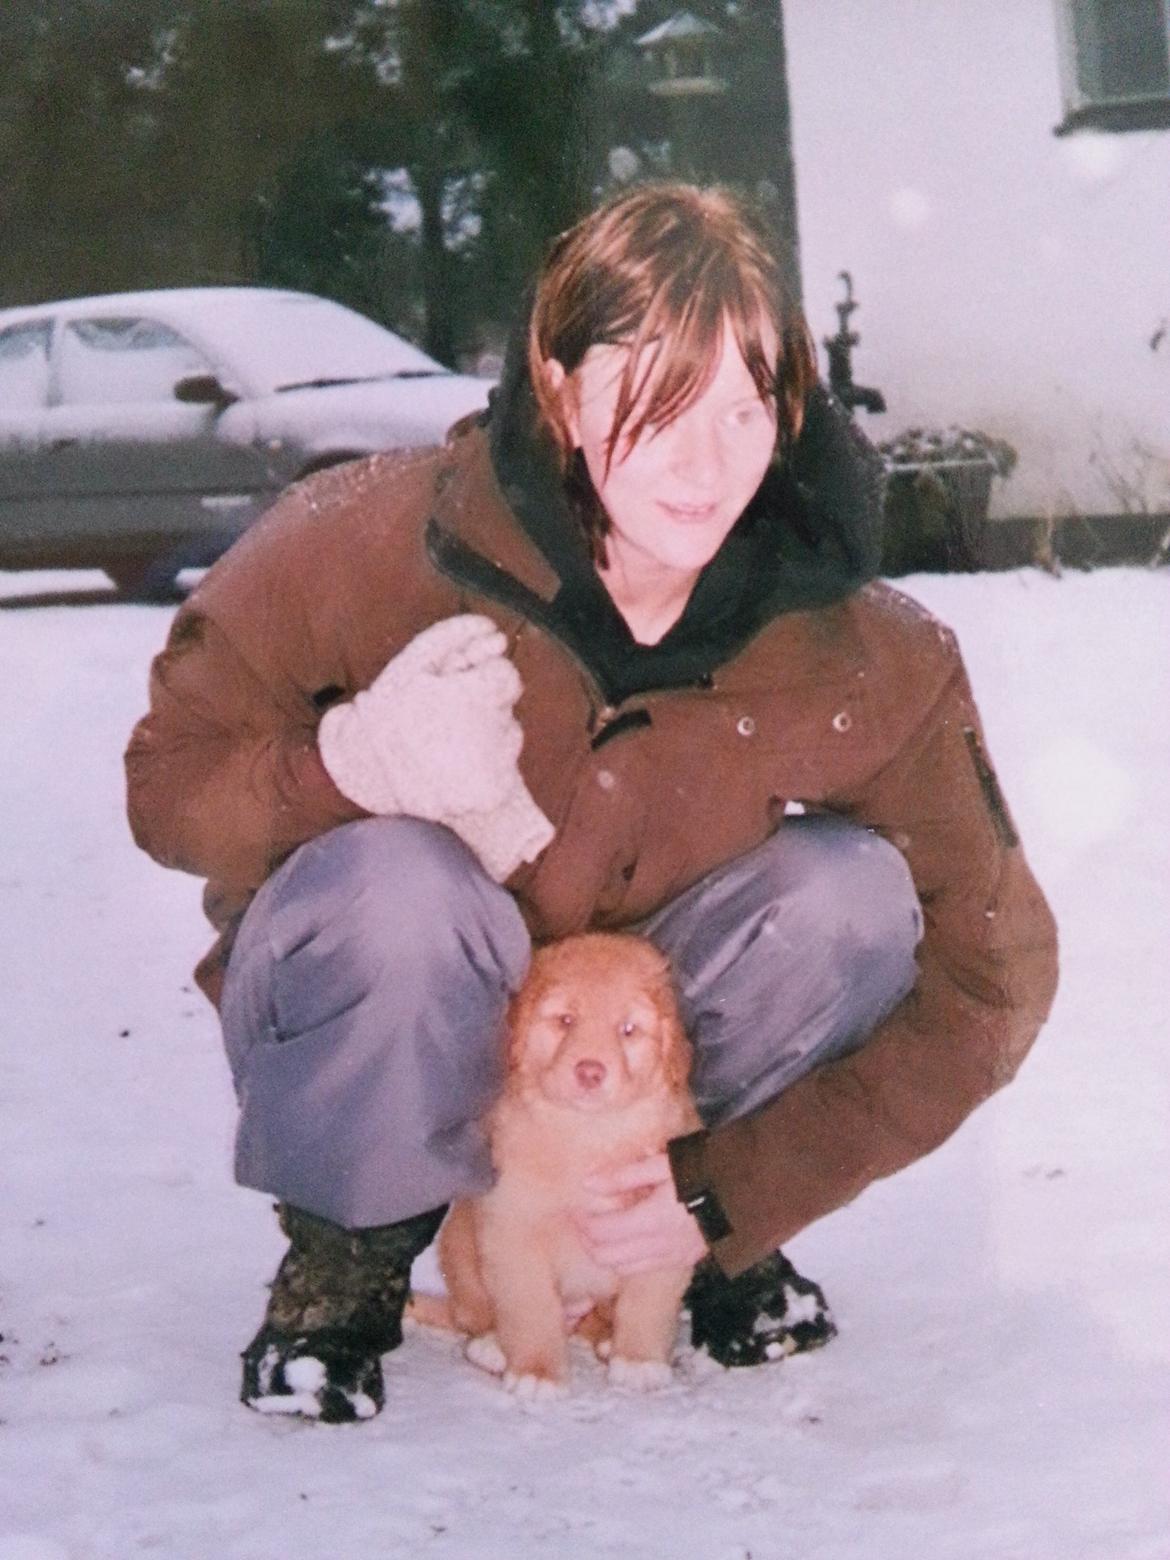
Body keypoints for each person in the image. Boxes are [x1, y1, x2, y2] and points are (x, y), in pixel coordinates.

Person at [125, 182, 1058, 1424]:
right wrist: (349, 768)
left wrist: (740, 1188)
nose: (704, 463)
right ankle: (349, 1249)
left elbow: (994, 979)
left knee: (847, 898)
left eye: (743, 408)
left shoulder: (872, 657)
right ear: (560, 390)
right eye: (652, 402)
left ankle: (679, 1235)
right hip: (381, 1015)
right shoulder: (364, 542)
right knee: (399, 888)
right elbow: (166, 786)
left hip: (641, 1081)